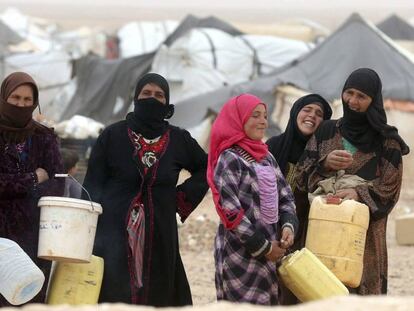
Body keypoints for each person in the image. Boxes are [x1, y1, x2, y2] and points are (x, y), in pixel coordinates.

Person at [82, 73, 209, 306]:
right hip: (114, 230)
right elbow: (92, 186)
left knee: (159, 287)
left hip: (160, 228)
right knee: (114, 288)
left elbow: (206, 168)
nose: (152, 99)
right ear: (136, 98)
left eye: (159, 95)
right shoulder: (112, 135)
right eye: (146, 94)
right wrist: (88, 230)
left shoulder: (178, 139)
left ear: (167, 102)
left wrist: (180, 198)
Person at [295, 68, 410, 295]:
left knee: (362, 293)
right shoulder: (327, 131)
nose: (353, 101)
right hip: (323, 230)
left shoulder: (388, 143)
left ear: (373, 100)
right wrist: (324, 164)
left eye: (362, 96)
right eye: (349, 93)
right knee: (321, 292)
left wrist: (358, 194)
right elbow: (300, 177)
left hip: (364, 237)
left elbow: (390, 190)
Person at [207, 93, 298, 305]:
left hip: (271, 252)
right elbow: (231, 212)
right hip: (239, 252)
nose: (263, 121)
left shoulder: (267, 157)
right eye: (255, 115)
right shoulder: (229, 158)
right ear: (239, 119)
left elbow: (286, 197)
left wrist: (288, 227)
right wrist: (265, 248)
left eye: (265, 116)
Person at [0, 72, 64, 306]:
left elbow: (58, 182)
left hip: (35, 236)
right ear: (3, 96)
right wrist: (33, 179)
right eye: (15, 97)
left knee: (31, 300)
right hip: (1, 239)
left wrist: (15, 186)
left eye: (28, 100)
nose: (21, 104)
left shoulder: (43, 137)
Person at [266, 94, 332, 305]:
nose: (311, 116)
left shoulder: (325, 155)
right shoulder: (273, 146)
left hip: (307, 234)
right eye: (307, 109)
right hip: (270, 230)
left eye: (319, 114)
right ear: (296, 111)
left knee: (300, 289)